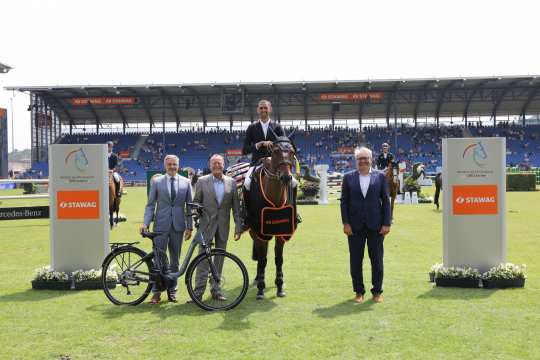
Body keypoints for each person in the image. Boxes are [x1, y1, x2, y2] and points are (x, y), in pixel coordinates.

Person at [340, 146, 391, 304]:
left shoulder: (380, 177)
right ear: (356, 161)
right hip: (354, 227)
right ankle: (359, 292)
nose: (363, 161)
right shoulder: (348, 178)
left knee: (377, 260)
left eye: (365, 158)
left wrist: (387, 223)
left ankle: (377, 292)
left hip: (376, 226)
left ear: (371, 160)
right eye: (360, 158)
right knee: (355, 261)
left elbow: (386, 202)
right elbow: (344, 202)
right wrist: (346, 223)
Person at [141, 154, 193, 304]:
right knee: (159, 261)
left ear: (178, 166)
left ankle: (172, 290)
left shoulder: (186, 182)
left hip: (178, 226)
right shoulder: (156, 182)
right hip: (160, 226)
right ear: (165, 165)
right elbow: (150, 205)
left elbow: (189, 207)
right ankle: (156, 292)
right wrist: (145, 223)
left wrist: (189, 226)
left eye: (174, 164)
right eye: (169, 164)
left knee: (175, 261)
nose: (172, 167)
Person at [190, 154, 242, 302]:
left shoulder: (232, 182)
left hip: (223, 227)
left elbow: (236, 209)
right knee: (202, 260)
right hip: (206, 227)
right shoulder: (201, 181)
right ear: (210, 165)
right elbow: (196, 203)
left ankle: (216, 290)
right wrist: (196, 216)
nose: (217, 166)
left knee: (219, 259)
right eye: (214, 163)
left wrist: (238, 227)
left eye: (219, 163)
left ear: (223, 165)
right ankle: (197, 293)